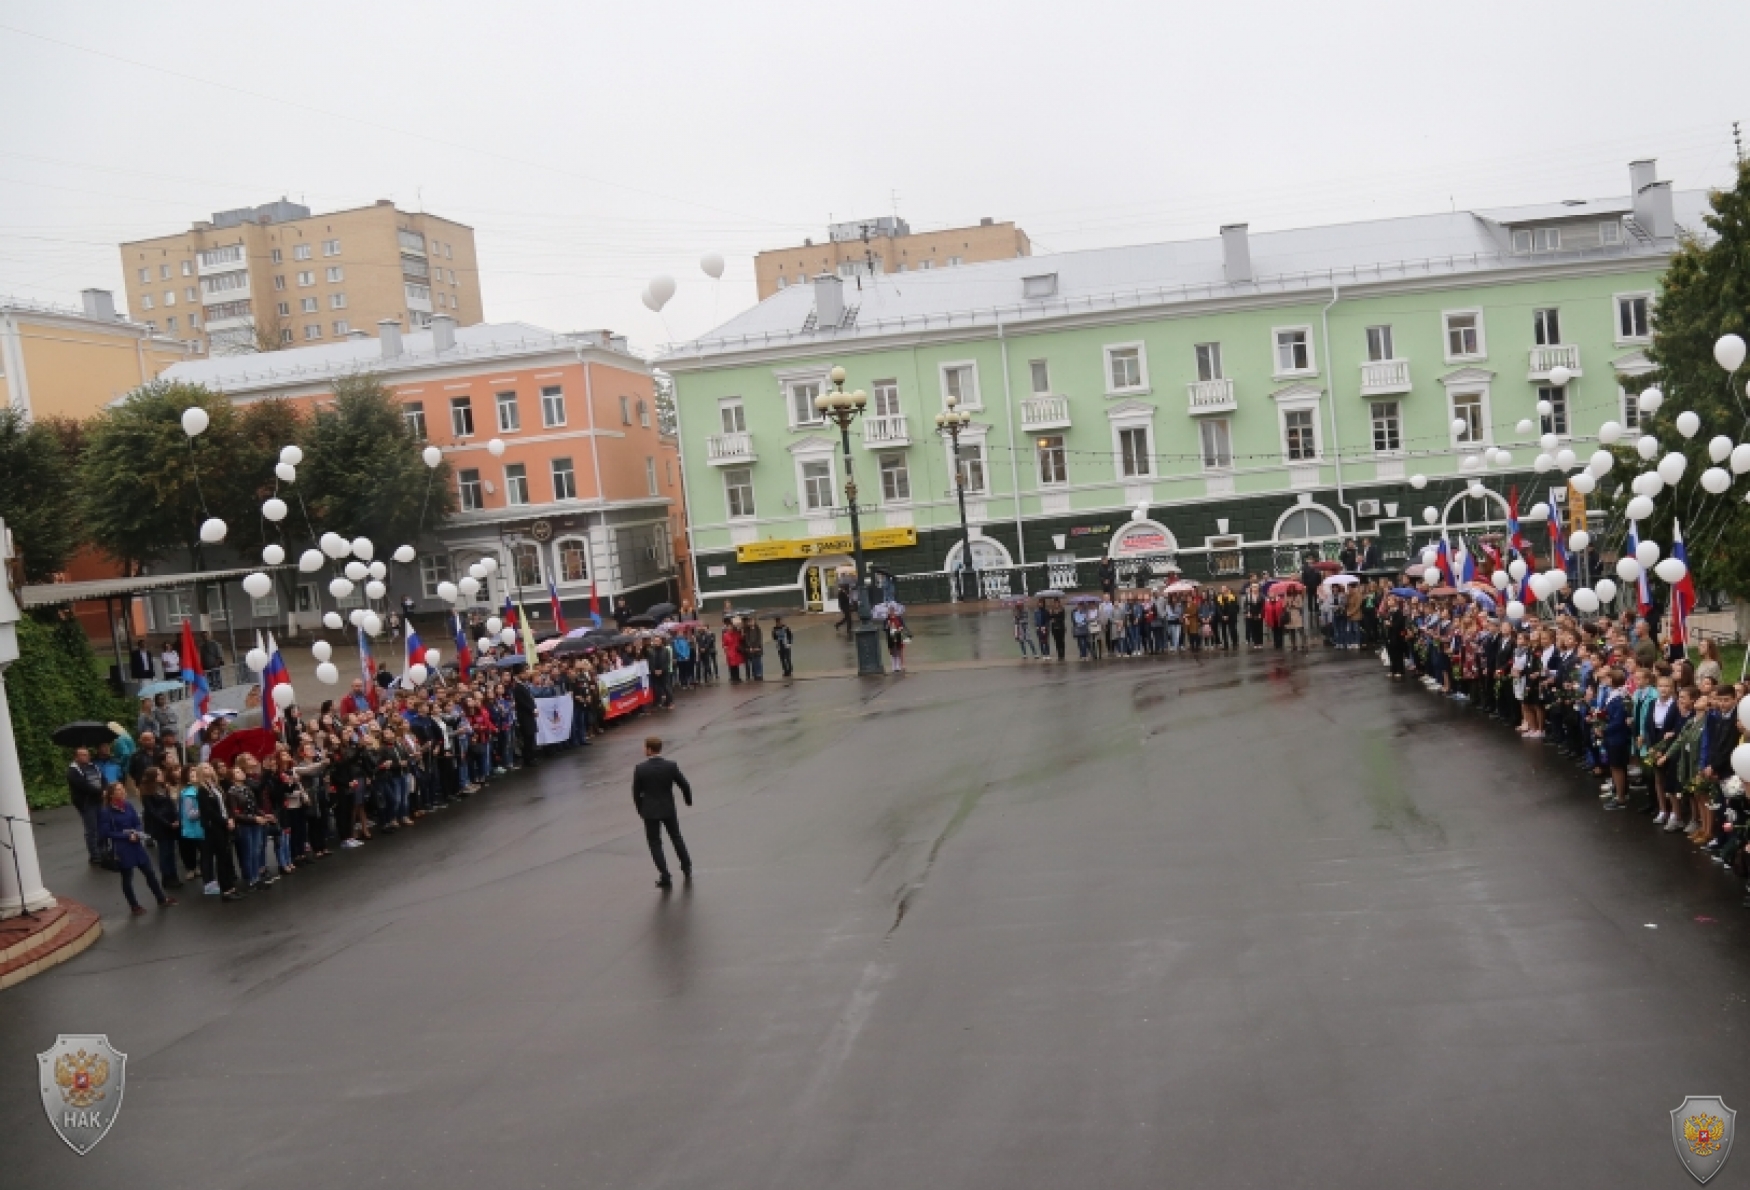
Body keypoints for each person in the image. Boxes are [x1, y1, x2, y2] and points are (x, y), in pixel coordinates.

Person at [99, 782, 176, 915]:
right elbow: (106, 832)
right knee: (127, 877)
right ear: (112, 795)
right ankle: (134, 905)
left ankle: (161, 898)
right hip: (122, 848)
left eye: (123, 788)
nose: (122, 791)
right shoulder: (106, 812)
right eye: (118, 790)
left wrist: (137, 832)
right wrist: (126, 836)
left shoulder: (128, 805)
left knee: (149, 872)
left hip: (136, 845)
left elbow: (137, 822)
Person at [631, 736, 693, 888]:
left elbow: (636, 792)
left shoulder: (640, 769)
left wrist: (640, 809)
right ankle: (686, 865)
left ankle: (665, 875)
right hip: (668, 807)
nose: (643, 750)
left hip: (650, 810)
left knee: (655, 843)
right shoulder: (671, 766)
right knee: (676, 837)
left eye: (644, 747)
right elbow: (684, 784)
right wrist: (688, 800)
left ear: (650, 749)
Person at [67, 747, 107, 865]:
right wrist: (101, 791)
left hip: (99, 801)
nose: (86, 757)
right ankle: (95, 855)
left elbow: (103, 779)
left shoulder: (94, 766)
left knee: (102, 826)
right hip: (86, 803)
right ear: (76, 757)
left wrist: (105, 789)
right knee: (92, 829)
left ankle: (103, 851)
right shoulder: (72, 771)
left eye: (87, 754)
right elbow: (83, 786)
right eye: (83, 755)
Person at [742, 616, 765, 681]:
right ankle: (755, 674)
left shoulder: (758, 629)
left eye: (752, 621)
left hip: (757, 649)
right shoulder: (747, 630)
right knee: (753, 662)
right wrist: (750, 647)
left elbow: (759, 638)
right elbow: (747, 639)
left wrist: (756, 647)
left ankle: (759, 674)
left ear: (754, 622)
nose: (751, 622)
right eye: (750, 621)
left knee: (758, 662)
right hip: (751, 649)